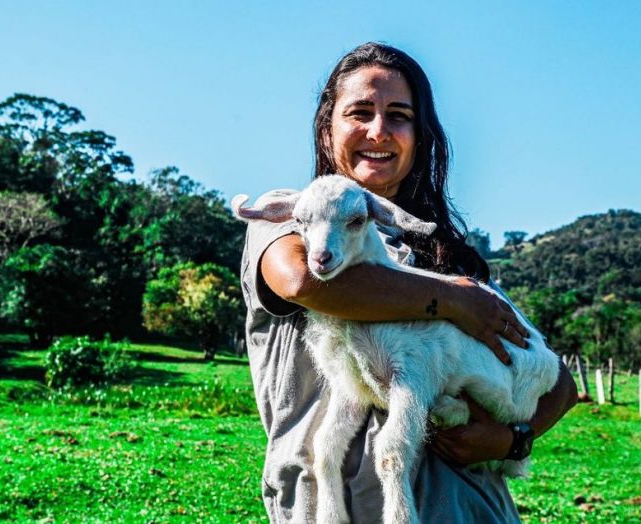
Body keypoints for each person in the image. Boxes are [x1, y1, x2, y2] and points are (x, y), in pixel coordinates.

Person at [240, 42, 577, 523]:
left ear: (419, 136)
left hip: (473, 510)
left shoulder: (448, 258)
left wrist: (511, 439)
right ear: (326, 127)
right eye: (360, 112)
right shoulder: (289, 225)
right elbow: (304, 284)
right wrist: (455, 303)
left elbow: (559, 383)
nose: (378, 130)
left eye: (398, 115)